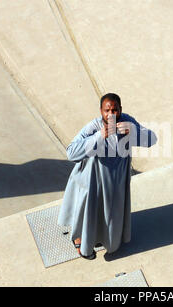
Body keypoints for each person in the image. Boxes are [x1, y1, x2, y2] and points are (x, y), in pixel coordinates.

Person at [57, 93, 157, 259]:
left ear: (120, 109)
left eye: (115, 110)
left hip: (116, 181)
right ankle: (81, 241)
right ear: (101, 111)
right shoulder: (93, 127)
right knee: (88, 212)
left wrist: (133, 132)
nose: (111, 115)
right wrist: (99, 136)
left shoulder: (127, 121)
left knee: (111, 214)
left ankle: (106, 240)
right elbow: (71, 152)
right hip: (93, 180)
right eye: (107, 110)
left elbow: (152, 139)